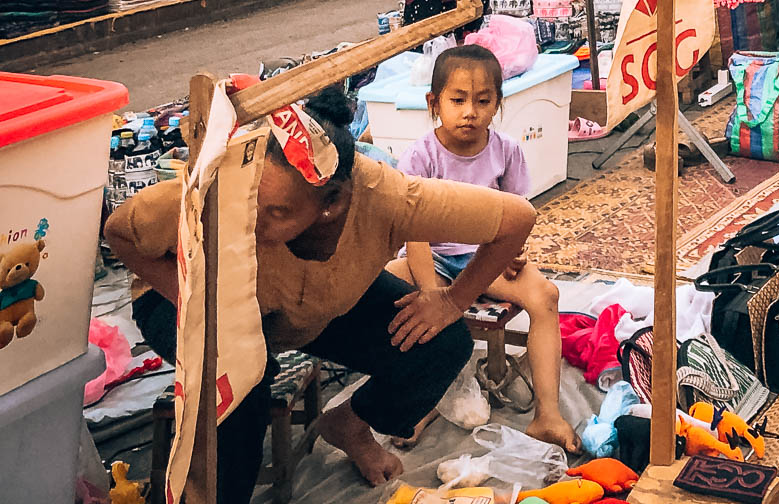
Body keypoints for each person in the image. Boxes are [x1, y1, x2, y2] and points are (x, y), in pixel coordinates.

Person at [104, 88, 536, 501]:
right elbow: (120, 231)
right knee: (243, 387)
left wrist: (450, 300)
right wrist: (192, 301)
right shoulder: (227, 183)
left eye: (277, 213)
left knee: (442, 343)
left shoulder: (389, 198)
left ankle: (349, 425)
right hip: (181, 296)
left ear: (330, 203)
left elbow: (516, 218)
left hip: (311, 309)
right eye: (254, 203)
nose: (255, 223)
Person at [387, 45, 576, 451]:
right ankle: (419, 404)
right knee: (390, 295)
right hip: (431, 257)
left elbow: (518, 216)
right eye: (457, 100)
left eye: (483, 100)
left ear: (498, 105)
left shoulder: (506, 151)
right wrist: (431, 293)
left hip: (485, 258)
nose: (470, 111)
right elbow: (413, 234)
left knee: (546, 296)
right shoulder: (420, 155)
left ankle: (549, 414)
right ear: (433, 103)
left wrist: (514, 252)